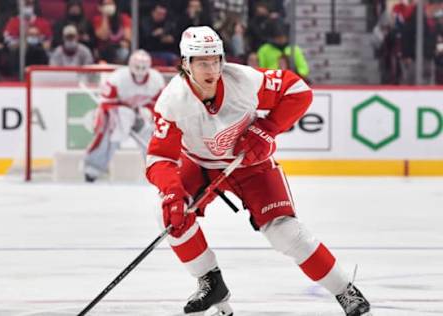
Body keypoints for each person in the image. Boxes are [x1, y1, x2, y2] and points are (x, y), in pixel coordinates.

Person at [145, 26, 371, 316]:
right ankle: (211, 284)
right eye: (202, 62)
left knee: (286, 234)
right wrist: (173, 193)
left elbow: (298, 91)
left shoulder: (243, 80)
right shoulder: (172, 101)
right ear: (185, 64)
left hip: (251, 164)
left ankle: (345, 290)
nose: (212, 68)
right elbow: (159, 157)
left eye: (216, 59)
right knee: (168, 213)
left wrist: (267, 129)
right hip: (201, 166)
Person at [83, 49, 165, 182]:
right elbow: (106, 104)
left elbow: (159, 106)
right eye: (137, 67)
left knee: (151, 135)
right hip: (116, 113)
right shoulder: (117, 78)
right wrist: (124, 114)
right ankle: (93, 168)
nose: (140, 71)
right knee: (110, 135)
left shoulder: (156, 80)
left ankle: (157, 168)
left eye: (143, 67)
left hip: (139, 112)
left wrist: (148, 113)